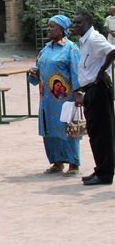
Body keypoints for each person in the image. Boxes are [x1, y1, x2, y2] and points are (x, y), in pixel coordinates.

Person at [28, 15, 81, 176]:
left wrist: (79, 93)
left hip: (65, 100)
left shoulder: (71, 48)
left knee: (68, 129)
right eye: (48, 26)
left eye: (52, 26)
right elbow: (36, 77)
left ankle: (73, 164)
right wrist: (32, 73)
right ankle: (57, 162)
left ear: (62, 30)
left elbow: (76, 73)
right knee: (50, 130)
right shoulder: (45, 49)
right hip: (47, 100)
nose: (48, 29)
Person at [71, 10, 115, 186]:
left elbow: (112, 51)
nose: (75, 26)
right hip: (90, 90)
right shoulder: (84, 41)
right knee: (95, 134)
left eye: (79, 23)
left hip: (99, 90)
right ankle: (100, 169)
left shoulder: (95, 39)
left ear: (88, 22)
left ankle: (105, 174)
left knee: (103, 134)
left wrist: (103, 70)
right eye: (74, 23)